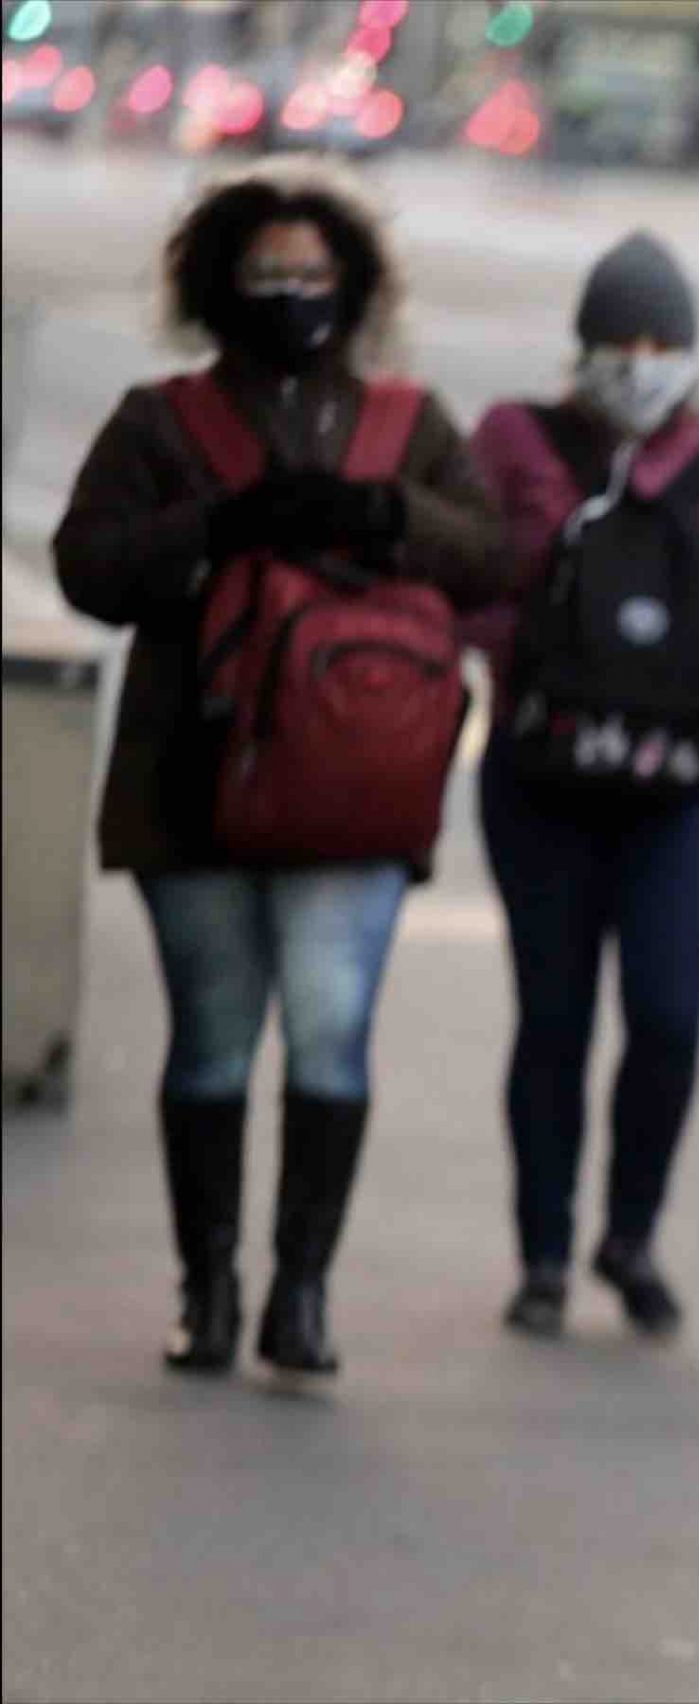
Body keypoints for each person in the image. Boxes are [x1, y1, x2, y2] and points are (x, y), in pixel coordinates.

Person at [52, 161, 506, 1377]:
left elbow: (491, 554)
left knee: (328, 1033)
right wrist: (213, 529)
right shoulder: (160, 422)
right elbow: (87, 567)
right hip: (192, 790)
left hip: (353, 792)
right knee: (208, 1039)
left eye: (312, 275)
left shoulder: (409, 427)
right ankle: (207, 1287)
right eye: (267, 277)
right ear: (219, 286)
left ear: (351, 288)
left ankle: (300, 1293)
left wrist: (380, 516)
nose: (292, 295)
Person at [468, 232, 699, 1339]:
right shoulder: (515, 440)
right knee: (553, 1021)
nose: (639, 361)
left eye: (661, 342)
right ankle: (540, 1251)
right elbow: (460, 578)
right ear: (582, 348)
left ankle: (630, 1233)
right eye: (618, 341)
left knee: (666, 1018)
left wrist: (692, 650)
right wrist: (541, 642)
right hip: (541, 782)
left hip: (675, 789)